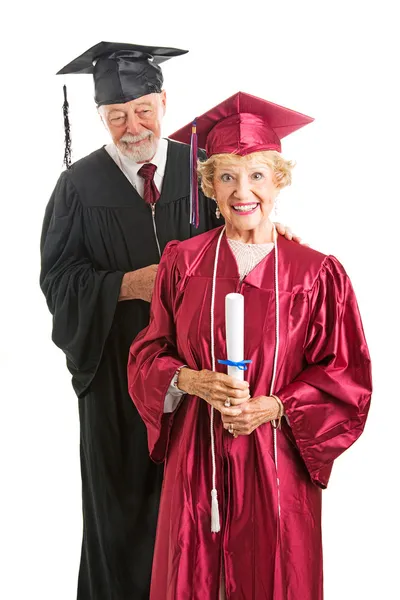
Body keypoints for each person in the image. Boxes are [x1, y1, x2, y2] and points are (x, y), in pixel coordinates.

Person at [40, 43, 298, 599]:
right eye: (116, 116)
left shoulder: (200, 169)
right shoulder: (78, 187)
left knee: (197, 506)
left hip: (195, 372)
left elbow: (240, 231)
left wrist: (275, 243)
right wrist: (135, 283)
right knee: (125, 509)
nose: (133, 126)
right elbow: (58, 283)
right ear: (101, 118)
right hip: (115, 374)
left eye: (143, 110)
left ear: (164, 101)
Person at [128, 91, 372, 600]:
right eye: (227, 176)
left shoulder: (316, 273)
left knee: (275, 576)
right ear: (209, 186)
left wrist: (276, 405)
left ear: (278, 181)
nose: (243, 190)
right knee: (190, 575)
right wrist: (189, 380)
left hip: (275, 462)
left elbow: (345, 376)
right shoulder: (184, 262)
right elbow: (147, 353)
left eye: (257, 175)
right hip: (198, 458)